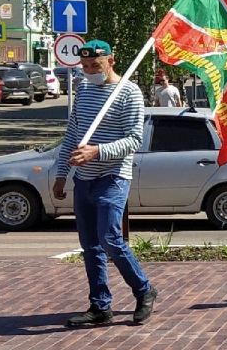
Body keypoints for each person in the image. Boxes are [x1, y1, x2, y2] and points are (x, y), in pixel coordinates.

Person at [51, 40, 155, 327]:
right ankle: (100, 305)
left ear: (111, 60)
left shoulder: (128, 93)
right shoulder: (84, 89)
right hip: (83, 179)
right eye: (84, 67)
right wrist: (61, 174)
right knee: (90, 245)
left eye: (95, 66)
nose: (89, 71)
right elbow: (73, 133)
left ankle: (144, 290)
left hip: (113, 177)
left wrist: (97, 151)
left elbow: (134, 139)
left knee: (111, 239)